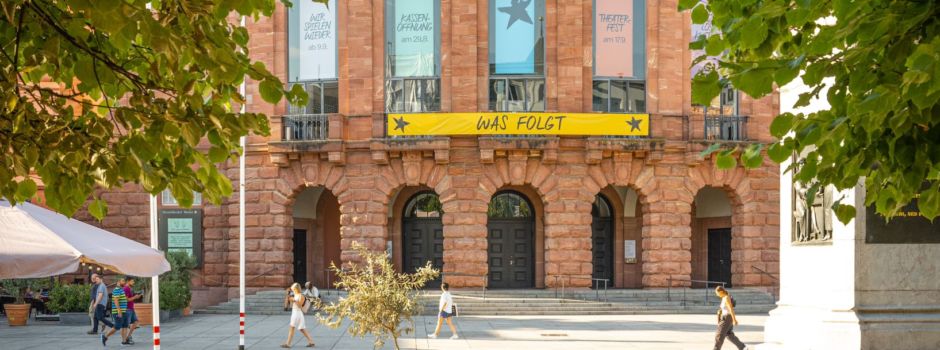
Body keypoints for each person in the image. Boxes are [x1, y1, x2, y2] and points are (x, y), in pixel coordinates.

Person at [281, 283, 315, 348]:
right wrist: (289, 297)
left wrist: (294, 300)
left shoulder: (301, 296)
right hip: (295, 312)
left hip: (297, 313)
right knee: (302, 329)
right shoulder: (295, 295)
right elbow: (291, 306)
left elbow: (300, 306)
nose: (292, 290)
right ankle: (311, 342)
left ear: (296, 289)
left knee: (292, 327)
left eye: (293, 289)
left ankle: (288, 343)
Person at [713, 286, 747, 350]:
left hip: (727, 318)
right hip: (726, 317)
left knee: (719, 334)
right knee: (729, 335)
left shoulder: (726, 297)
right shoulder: (724, 298)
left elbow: (731, 309)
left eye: (717, 293)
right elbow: (724, 308)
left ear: (721, 292)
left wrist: (734, 320)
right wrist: (720, 312)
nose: (717, 295)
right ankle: (743, 347)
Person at [103, 277, 129, 346]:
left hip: (124, 311)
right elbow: (116, 301)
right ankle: (105, 336)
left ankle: (124, 341)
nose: (124, 282)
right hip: (118, 312)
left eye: (124, 281)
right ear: (118, 282)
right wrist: (119, 311)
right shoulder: (116, 289)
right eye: (123, 281)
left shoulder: (121, 289)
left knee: (125, 326)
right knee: (117, 326)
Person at [91, 275, 115, 341]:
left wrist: (96, 303)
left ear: (101, 279)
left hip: (100, 304)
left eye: (97, 279)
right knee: (95, 317)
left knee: (100, 317)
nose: (96, 280)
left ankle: (113, 326)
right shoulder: (102, 285)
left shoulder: (101, 286)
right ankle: (95, 330)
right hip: (101, 304)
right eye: (95, 279)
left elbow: (100, 296)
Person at [123, 277, 141, 345]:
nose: (133, 282)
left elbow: (130, 298)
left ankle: (128, 336)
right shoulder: (126, 288)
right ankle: (125, 339)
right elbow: (126, 299)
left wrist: (136, 296)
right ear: (128, 281)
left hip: (131, 308)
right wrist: (135, 297)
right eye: (132, 281)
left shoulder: (129, 288)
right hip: (127, 309)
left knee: (135, 322)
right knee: (126, 325)